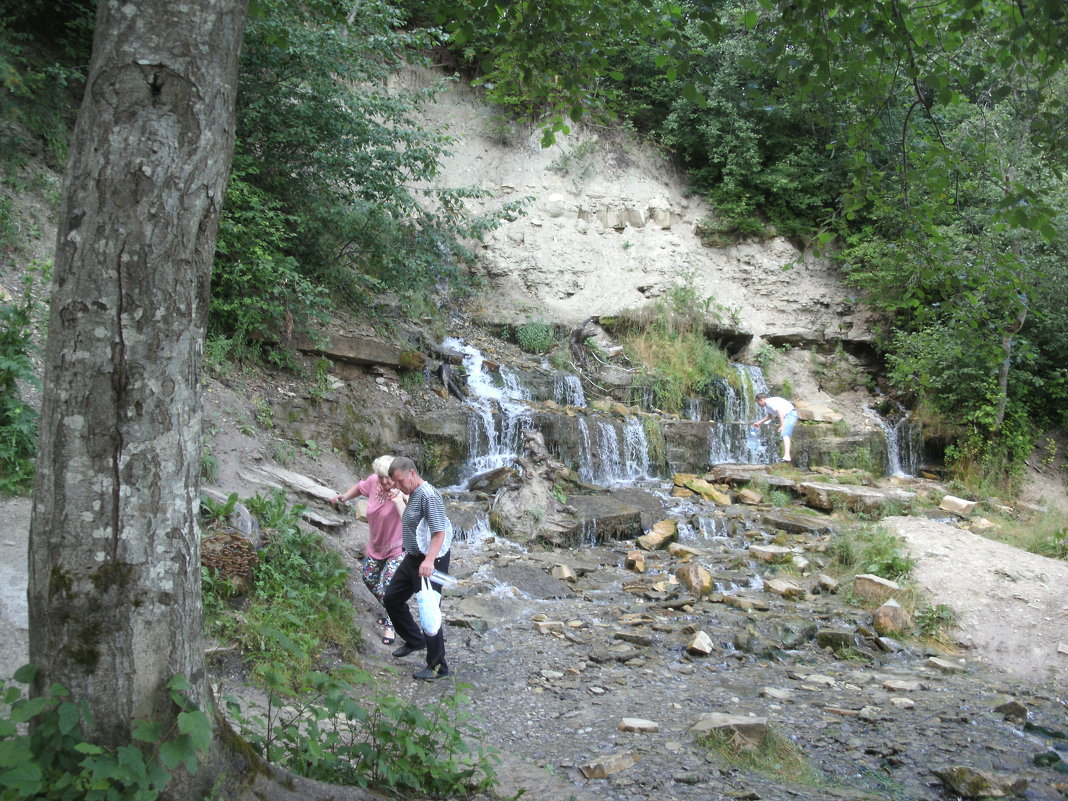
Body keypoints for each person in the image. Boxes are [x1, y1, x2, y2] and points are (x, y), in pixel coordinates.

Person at [384, 456, 453, 681]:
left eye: (400, 481)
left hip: (431, 560)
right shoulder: (413, 493)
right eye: (395, 483)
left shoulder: (429, 496)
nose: (398, 486)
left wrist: (430, 561)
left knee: (429, 611)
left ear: (412, 473)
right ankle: (415, 640)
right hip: (413, 558)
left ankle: (438, 667)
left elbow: (439, 532)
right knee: (392, 598)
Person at [331, 454, 406, 646]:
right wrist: (346, 496)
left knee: (390, 588)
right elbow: (360, 486)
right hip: (375, 547)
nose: (384, 481)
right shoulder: (374, 482)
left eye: (387, 477)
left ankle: (392, 624)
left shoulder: (402, 491)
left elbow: (410, 521)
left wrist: (399, 501)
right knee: (369, 578)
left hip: (397, 548)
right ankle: (395, 609)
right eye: (381, 476)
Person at [752, 392, 798, 462]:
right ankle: (786, 455)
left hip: (790, 414)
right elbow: (769, 416)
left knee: (785, 434)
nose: (758, 404)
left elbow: (779, 412)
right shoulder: (768, 405)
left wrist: (782, 425)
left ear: (761, 400)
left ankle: (787, 456)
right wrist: (758, 423)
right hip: (788, 415)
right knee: (784, 434)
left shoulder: (770, 402)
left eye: (758, 402)